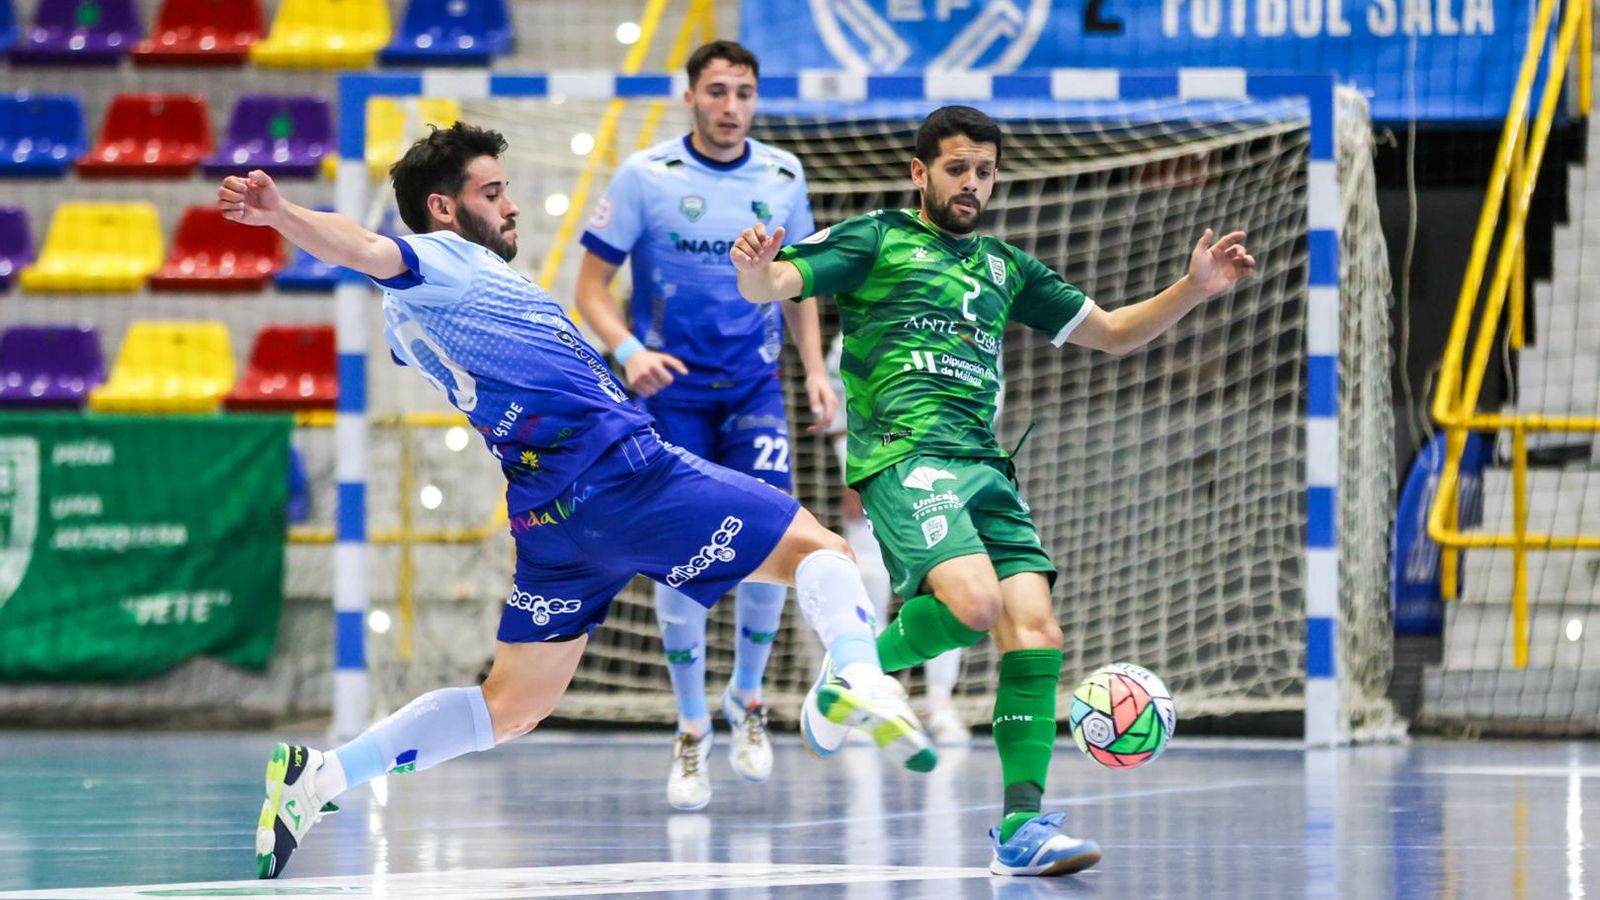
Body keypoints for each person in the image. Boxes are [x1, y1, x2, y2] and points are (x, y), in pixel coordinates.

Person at [219, 122, 936, 881]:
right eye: (492, 193)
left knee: (512, 707)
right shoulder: (442, 261)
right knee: (820, 550)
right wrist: (283, 216)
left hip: (551, 521)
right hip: (623, 476)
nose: (512, 207)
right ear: (441, 208)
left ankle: (321, 777)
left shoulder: (411, 319)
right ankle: (856, 670)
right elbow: (365, 249)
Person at [730, 105, 1254, 878]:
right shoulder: (878, 239)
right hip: (907, 457)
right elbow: (771, 283)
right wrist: (753, 267)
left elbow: (1109, 332)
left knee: (1036, 632)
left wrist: (1191, 288)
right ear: (921, 173)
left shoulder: (1007, 267)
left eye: (983, 171)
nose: (971, 183)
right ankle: (859, 669)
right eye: (955, 170)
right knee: (974, 606)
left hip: (987, 467)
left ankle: (1020, 826)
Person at [573, 40, 835, 811]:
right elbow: (589, 285)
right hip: (671, 393)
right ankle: (691, 725)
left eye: (744, 92)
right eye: (716, 91)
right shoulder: (646, 177)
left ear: (756, 99)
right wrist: (627, 351)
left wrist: (815, 370)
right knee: (681, 554)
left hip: (754, 387)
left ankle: (747, 699)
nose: (731, 106)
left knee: (777, 540)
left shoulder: (785, 177)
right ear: (690, 96)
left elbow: (800, 286)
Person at [823, 334, 969, 747]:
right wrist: (850, 473)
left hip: (945, 468)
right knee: (868, 578)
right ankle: (864, 697)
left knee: (953, 588)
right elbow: (839, 403)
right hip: (877, 467)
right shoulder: (859, 327)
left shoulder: (970, 320)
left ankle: (939, 703)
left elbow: (984, 409)